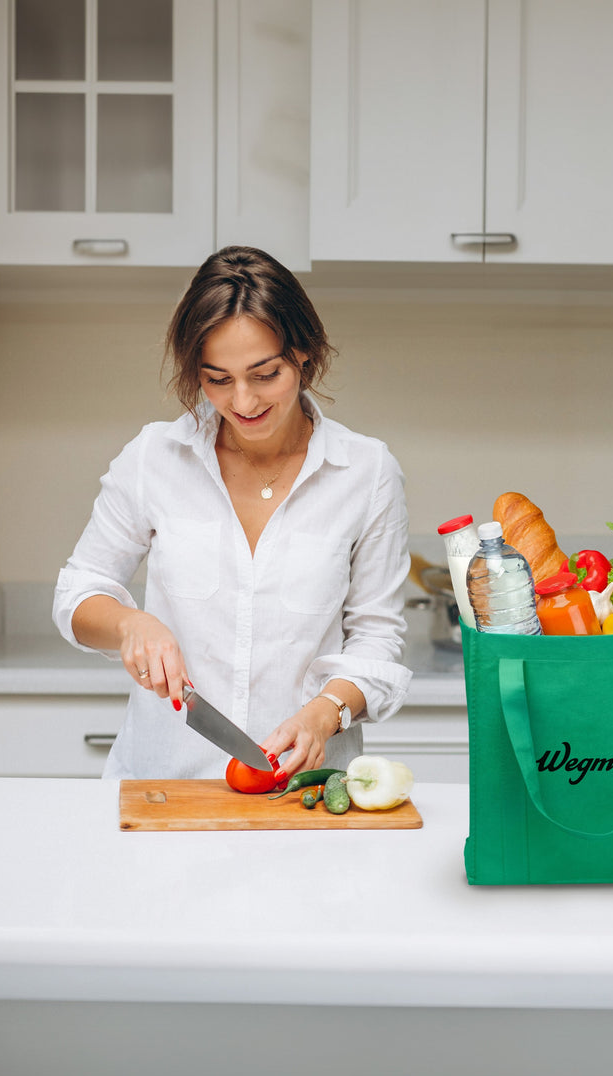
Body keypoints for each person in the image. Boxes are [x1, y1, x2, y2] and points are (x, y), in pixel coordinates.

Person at [53, 246, 412, 780]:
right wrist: (130, 623)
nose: (243, 401)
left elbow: (377, 638)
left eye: (264, 374)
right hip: (164, 786)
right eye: (218, 378)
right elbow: (78, 592)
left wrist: (325, 714)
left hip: (302, 793)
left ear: (305, 354)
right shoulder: (155, 457)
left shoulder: (366, 471)